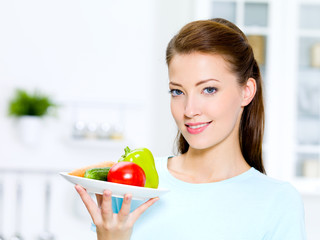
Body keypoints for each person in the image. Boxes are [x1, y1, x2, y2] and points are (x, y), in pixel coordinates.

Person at [75, 18, 307, 240]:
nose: (189, 109)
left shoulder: (277, 202)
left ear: (246, 91)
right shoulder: (133, 183)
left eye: (208, 90)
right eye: (177, 91)